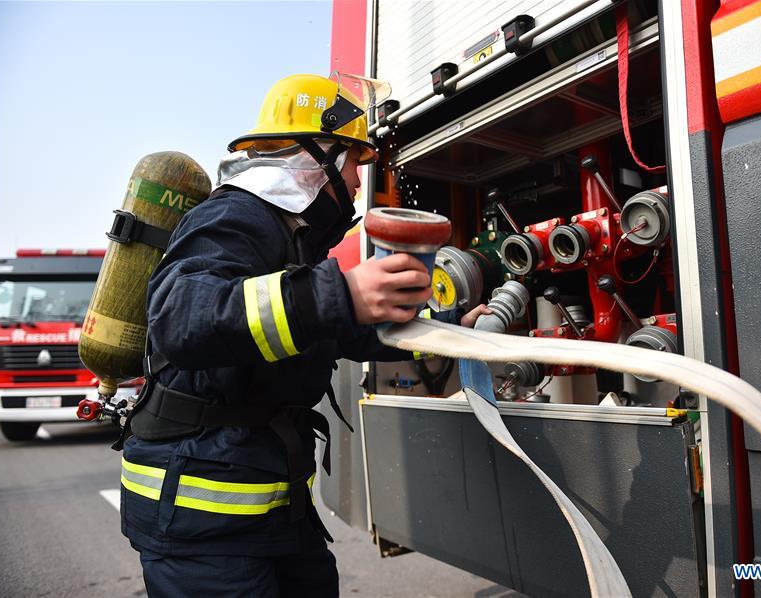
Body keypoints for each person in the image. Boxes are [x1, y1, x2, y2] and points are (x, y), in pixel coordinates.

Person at [119, 73, 489, 597]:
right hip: (201, 520)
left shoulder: (293, 237)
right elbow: (180, 318)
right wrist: (337, 293)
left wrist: (451, 331)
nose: (360, 184)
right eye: (356, 164)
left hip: (268, 510)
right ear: (322, 155)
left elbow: (339, 331)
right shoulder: (237, 215)